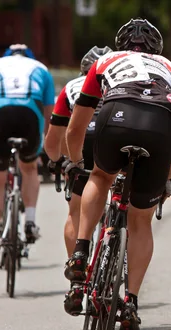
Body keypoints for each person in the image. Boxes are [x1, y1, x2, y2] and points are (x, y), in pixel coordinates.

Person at [63, 18, 171, 330]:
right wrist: (166, 180)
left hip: (116, 114)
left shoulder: (106, 61)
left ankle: (80, 252)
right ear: (156, 49)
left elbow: (75, 129)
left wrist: (75, 164)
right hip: (159, 124)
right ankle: (129, 304)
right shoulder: (170, 67)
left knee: (100, 176)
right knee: (140, 219)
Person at [0, 44, 55, 272]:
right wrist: (45, 150)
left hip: (0, 113)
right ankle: (30, 222)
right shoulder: (41, 69)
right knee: (29, 169)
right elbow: (50, 117)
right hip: (30, 114)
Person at [44, 45, 113, 256]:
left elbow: (53, 137)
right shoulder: (121, 80)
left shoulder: (72, 86)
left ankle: (77, 272)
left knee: (76, 210)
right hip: (114, 133)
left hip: (84, 139)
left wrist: (57, 161)